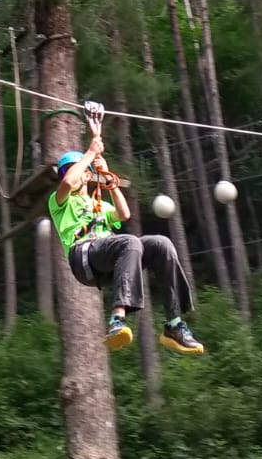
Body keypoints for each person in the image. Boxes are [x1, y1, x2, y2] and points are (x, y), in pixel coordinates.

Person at [48, 103, 204, 355]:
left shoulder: (96, 202)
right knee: (129, 241)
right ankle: (117, 320)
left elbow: (124, 214)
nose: (73, 175)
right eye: (69, 171)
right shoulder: (59, 202)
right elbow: (67, 181)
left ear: (86, 176)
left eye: (77, 171)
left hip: (110, 258)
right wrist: (89, 152)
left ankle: (174, 325)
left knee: (160, 244)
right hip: (84, 256)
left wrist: (108, 178)